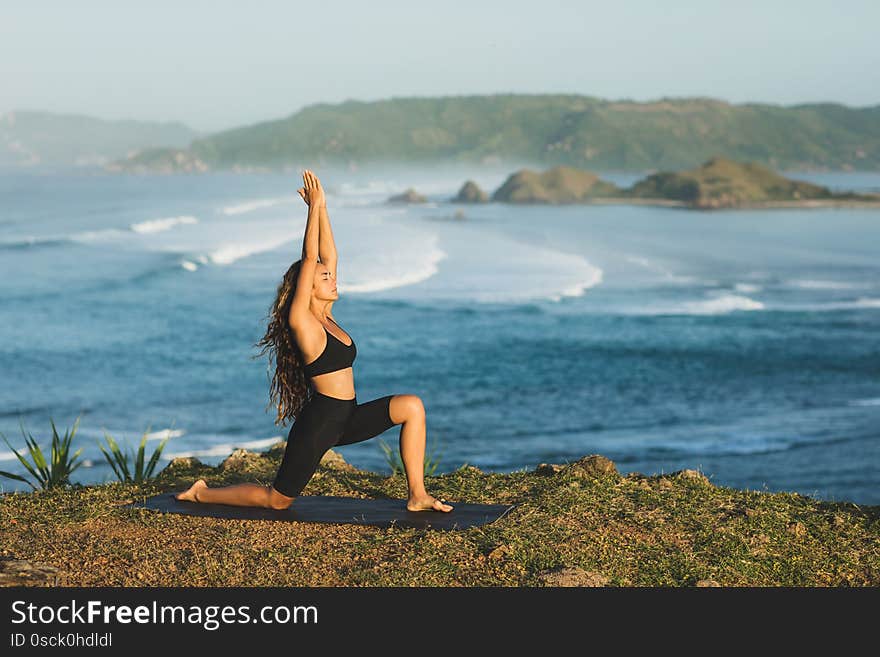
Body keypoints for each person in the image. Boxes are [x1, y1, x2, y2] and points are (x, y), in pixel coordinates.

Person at [175, 169, 453, 513]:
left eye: (330, 276)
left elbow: (328, 255)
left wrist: (323, 208)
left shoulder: (329, 317)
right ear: (309, 287)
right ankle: (202, 492)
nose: (332, 279)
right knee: (277, 501)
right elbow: (310, 259)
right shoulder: (302, 323)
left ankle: (417, 495)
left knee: (413, 406)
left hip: (347, 415)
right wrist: (311, 210)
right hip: (320, 422)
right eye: (324, 278)